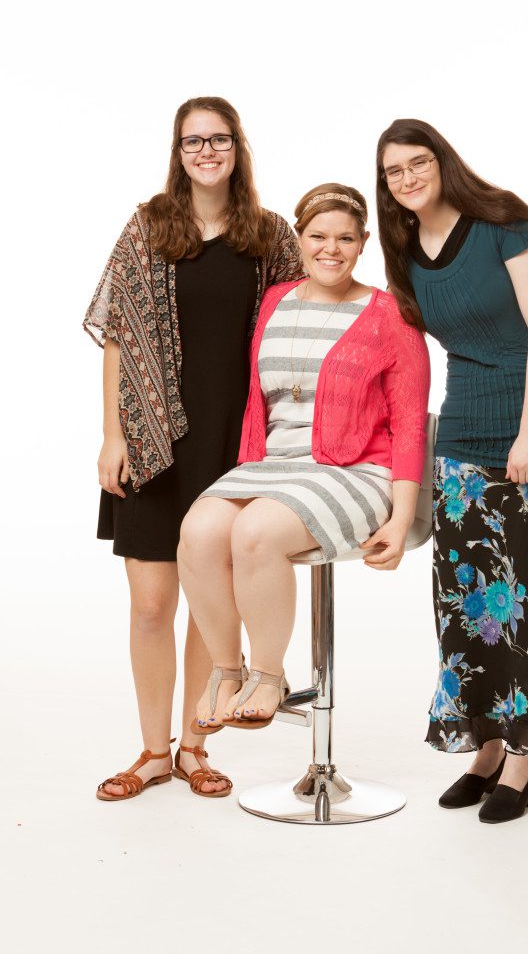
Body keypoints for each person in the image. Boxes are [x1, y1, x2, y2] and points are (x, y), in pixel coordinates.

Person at [376, 119, 528, 823]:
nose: (407, 178)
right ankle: (486, 745)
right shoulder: (405, 249)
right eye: (392, 172)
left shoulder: (504, 223)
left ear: (441, 162)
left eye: (417, 163)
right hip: (463, 434)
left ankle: (524, 760)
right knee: (469, 604)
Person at [84, 96, 302, 800]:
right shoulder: (148, 226)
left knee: (212, 601)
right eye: (191, 142)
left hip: (233, 441)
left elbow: (301, 325)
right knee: (151, 604)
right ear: (177, 153)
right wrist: (113, 434)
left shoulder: (268, 236)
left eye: (218, 139)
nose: (205, 151)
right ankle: (151, 752)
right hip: (151, 440)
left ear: (237, 147)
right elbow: (117, 332)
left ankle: (195, 748)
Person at [177, 184, 430, 731]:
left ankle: (269, 674)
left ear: (365, 243)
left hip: (357, 471)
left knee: (256, 533)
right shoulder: (276, 300)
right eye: (318, 236)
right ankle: (227, 669)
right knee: (198, 531)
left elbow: (410, 424)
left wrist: (404, 515)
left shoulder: (392, 315)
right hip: (273, 466)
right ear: (300, 239)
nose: (330, 249)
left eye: (345, 238)